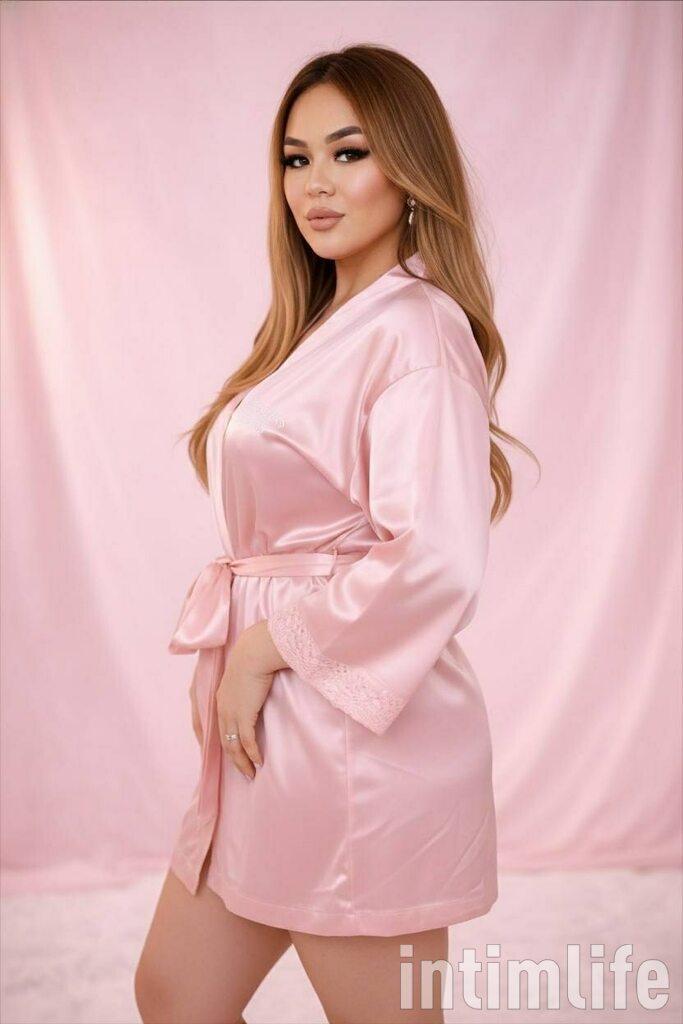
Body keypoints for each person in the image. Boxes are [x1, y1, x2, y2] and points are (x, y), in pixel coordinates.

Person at [135, 43, 537, 1024]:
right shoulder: (316, 328)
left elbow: (433, 554)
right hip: (275, 731)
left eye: (348, 153)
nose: (314, 184)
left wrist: (258, 649)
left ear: (407, 168)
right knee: (176, 993)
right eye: (295, 157)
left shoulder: (417, 329)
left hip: (356, 742)